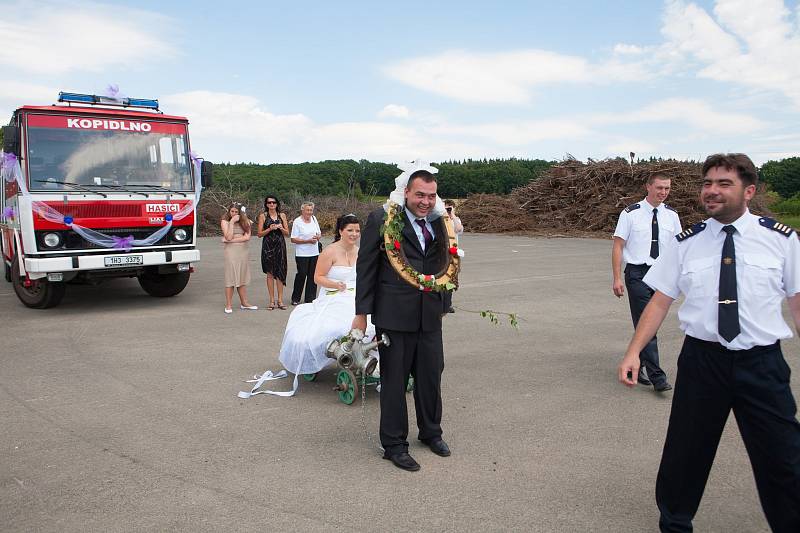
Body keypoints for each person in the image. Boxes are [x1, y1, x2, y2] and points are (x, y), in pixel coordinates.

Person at [618, 153, 800, 532]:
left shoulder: (782, 241)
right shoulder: (687, 243)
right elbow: (660, 300)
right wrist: (634, 351)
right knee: (686, 451)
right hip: (703, 362)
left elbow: (797, 304)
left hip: (762, 364)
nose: (712, 191)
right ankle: (675, 521)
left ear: (748, 191)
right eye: (707, 183)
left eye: (723, 184)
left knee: (783, 455)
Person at [353, 162, 452, 472]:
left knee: (430, 375)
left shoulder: (438, 221)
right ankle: (394, 444)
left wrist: (444, 301)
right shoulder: (382, 219)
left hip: (429, 314)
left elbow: (444, 261)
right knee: (395, 381)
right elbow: (366, 267)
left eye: (431, 196)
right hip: (394, 315)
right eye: (419, 195)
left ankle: (431, 433)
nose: (425, 202)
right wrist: (361, 315)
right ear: (406, 191)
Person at [612, 173, 681, 391]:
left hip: (662, 275)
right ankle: (657, 377)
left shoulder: (671, 215)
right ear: (648, 187)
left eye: (667, 189)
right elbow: (618, 246)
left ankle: (636, 363)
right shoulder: (630, 214)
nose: (663, 192)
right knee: (646, 321)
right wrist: (616, 278)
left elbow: (679, 248)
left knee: (649, 323)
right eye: (659, 188)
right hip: (638, 274)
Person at [221, 203, 257, 313]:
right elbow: (228, 235)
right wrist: (232, 222)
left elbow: (247, 237)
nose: (234, 214)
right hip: (231, 251)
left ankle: (244, 303)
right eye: (232, 211)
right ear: (229, 211)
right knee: (231, 276)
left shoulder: (246, 221)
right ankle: (228, 304)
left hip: (243, 251)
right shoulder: (225, 221)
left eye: (236, 212)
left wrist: (230, 240)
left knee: (242, 275)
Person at [256, 195, 289, 310]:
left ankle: (280, 300)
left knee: (280, 272)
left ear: (277, 204)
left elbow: (287, 233)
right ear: (266, 204)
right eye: (269, 203)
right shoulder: (263, 216)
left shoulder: (282, 215)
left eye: (274, 202)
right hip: (268, 246)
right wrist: (269, 229)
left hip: (280, 245)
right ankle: (271, 300)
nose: (272, 204)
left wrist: (280, 227)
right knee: (270, 273)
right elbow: (259, 234)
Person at [290, 201, 322, 305]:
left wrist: (317, 237)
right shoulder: (297, 221)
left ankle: (310, 298)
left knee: (312, 275)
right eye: (307, 210)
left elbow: (319, 233)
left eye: (311, 210)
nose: (309, 212)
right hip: (302, 253)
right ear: (302, 210)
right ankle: (296, 298)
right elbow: (293, 239)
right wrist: (307, 241)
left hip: (314, 252)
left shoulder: (314, 219)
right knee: (302, 274)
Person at [444, 199, 463, 313]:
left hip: (453, 253)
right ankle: (442, 303)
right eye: (446, 207)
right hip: (443, 253)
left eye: (450, 207)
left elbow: (459, 229)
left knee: (452, 279)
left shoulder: (456, 220)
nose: (448, 209)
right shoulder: (441, 219)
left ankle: (448, 304)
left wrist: (453, 215)